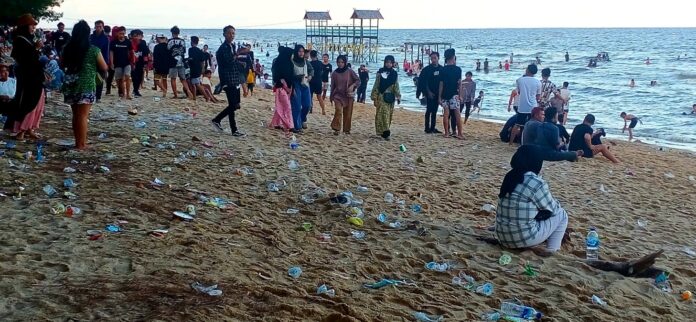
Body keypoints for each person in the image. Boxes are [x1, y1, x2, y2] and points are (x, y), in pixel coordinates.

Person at [495, 145, 569, 255]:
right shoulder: (536, 182)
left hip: (502, 236)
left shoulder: (509, 176)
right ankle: (553, 250)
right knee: (562, 214)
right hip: (523, 239)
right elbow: (553, 209)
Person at [61, 20, 108, 150]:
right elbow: (104, 66)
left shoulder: (67, 49)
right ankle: (81, 144)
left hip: (70, 83)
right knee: (83, 115)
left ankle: (78, 141)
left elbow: (62, 64)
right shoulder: (93, 50)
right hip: (86, 84)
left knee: (76, 114)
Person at [5, 14, 44, 139]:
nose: (33, 28)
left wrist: (35, 49)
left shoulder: (28, 39)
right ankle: (20, 130)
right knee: (27, 101)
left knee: (37, 101)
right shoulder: (20, 40)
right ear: (25, 26)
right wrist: (36, 49)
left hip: (34, 76)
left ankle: (30, 128)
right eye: (31, 25)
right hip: (27, 77)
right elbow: (25, 58)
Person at [211, 25, 246, 137]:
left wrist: (240, 62)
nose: (232, 35)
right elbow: (228, 61)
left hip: (235, 78)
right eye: (229, 33)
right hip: (227, 79)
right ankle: (232, 129)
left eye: (233, 33)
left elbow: (233, 61)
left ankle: (218, 120)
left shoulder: (231, 46)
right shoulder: (223, 48)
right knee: (232, 105)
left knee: (236, 105)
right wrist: (238, 53)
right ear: (224, 34)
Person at [371, 55, 401, 140]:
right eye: (386, 62)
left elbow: (396, 85)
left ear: (392, 63)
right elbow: (376, 85)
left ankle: (385, 131)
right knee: (381, 114)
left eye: (390, 62)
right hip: (381, 96)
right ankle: (384, 132)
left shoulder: (394, 74)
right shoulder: (380, 73)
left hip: (390, 97)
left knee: (388, 115)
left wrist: (398, 96)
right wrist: (374, 97)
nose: (388, 64)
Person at [510, 65, 541, 145]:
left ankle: (511, 142)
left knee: (517, 124)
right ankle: (531, 142)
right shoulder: (538, 82)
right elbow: (538, 96)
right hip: (533, 106)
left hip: (522, 106)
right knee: (533, 124)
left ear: (528, 70)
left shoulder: (520, 80)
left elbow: (519, 92)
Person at [329, 55, 360, 135]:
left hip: (348, 95)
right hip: (338, 95)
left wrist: (352, 86)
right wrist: (331, 96)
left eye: (342, 62)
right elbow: (332, 85)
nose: (340, 64)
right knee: (338, 110)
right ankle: (336, 128)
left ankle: (346, 130)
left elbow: (358, 80)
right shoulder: (335, 73)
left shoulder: (350, 71)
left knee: (348, 113)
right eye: (338, 62)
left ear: (345, 63)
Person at [269, 46, 294, 136]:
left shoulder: (290, 64)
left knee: (281, 106)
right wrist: (285, 86)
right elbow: (277, 77)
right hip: (281, 88)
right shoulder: (278, 63)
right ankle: (289, 125)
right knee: (287, 107)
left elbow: (292, 77)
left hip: (288, 88)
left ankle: (275, 123)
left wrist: (291, 88)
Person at [439, 48, 463, 139]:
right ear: (453, 57)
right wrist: (460, 95)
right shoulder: (457, 69)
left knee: (446, 114)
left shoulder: (443, 69)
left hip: (445, 94)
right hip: (454, 94)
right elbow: (459, 83)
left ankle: (446, 133)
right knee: (457, 114)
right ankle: (460, 133)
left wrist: (439, 97)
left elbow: (441, 84)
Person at [416, 51, 442, 134]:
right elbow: (424, 82)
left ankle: (433, 127)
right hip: (429, 92)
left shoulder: (441, 69)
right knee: (429, 110)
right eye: (432, 58)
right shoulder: (427, 69)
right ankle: (427, 128)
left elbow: (443, 82)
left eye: (435, 58)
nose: (433, 60)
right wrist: (428, 92)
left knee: (434, 111)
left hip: (438, 93)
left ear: (438, 58)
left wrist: (441, 94)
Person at [289, 45, 313, 133]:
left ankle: (302, 119)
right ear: (296, 52)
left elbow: (311, 70)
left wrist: (310, 76)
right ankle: (297, 126)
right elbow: (289, 74)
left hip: (305, 85)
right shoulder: (292, 62)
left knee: (307, 105)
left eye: (302, 51)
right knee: (297, 106)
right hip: (296, 85)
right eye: (299, 51)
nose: (301, 53)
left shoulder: (306, 62)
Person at [167, 26, 192, 99]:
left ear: (172, 33)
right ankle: (188, 91)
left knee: (173, 79)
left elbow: (168, 50)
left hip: (173, 62)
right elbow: (184, 51)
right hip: (181, 62)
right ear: (178, 33)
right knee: (183, 79)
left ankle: (175, 95)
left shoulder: (170, 41)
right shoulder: (182, 41)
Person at [109, 26, 132, 100]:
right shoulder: (113, 42)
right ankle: (121, 91)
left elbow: (131, 52)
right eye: (120, 33)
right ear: (117, 34)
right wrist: (111, 63)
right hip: (117, 63)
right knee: (119, 79)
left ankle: (128, 94)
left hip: (126, 63)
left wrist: (133, 61)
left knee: (127, 77)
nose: (121, 35)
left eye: (123, 33)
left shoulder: (128, 42)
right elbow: (111, 53)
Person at [89, 20, 109, 103]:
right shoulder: (90, 37)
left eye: (100, 26)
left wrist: (106, 63)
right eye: (97, 26)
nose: (98, 28)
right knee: (91, 78)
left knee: (100, 79)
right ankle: (91, 94)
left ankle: (98, 96)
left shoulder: (105, 38)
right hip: (91, 60)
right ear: (94, 27)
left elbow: (106, 51)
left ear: (103, 27)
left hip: (102, 60)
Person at [188, 36, 209, 101]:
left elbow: (192, 59)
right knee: (193, 83)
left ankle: (206, 97)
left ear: (192, 42)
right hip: (197, 68)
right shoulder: (199, 51)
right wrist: (202, 68)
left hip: (194, 68)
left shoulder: (191, 50)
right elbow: (202, 61)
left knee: (197, 84)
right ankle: (194, 97)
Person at [129, 29, 149, 97]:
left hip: (140, 62)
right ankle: (135, 90)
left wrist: (146, 63)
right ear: (131, 36)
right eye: (135, 36)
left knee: (140, 77)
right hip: (131, 63)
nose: (136, 37)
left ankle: (136, 90)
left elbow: (146, 54)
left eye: (138, 36)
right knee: (134, 77)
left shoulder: (143, 43)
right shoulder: (129, 44)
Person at [308, 50, 324, 115]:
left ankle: (310, 109)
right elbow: (322, 72)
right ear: (316, 55)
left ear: (310, 56)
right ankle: (323, 110)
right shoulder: (320, 63)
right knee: (319, 97)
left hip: (311, 82)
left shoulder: (309, 63)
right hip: (318, 81)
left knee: (310, 96)